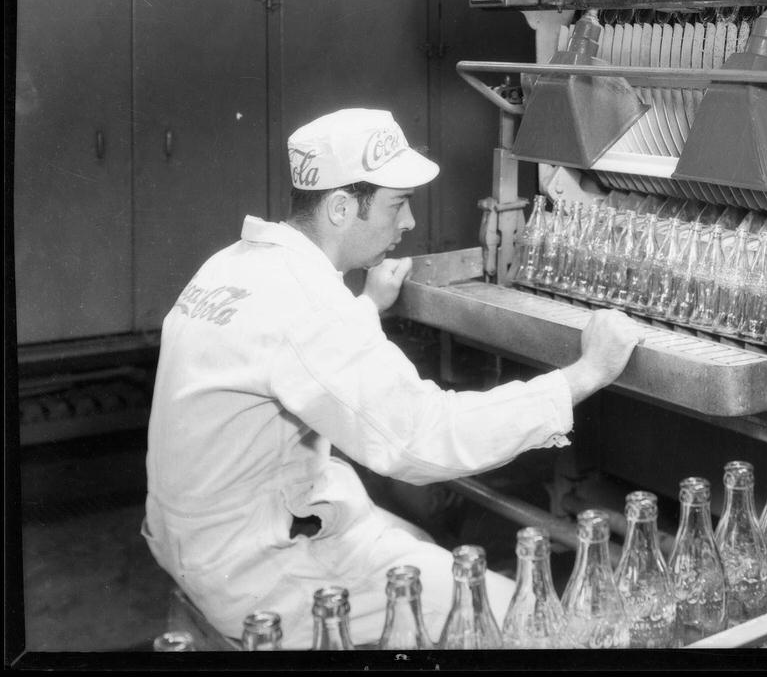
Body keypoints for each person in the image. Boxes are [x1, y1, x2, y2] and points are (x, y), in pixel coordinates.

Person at [142, 107, 643, 648]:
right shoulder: (308, 305)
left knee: (421, 543)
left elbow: (295, 356)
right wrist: (586, 373)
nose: (406, 224)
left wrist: (365, 306)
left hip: (201, 536)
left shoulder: (235, 265)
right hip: (255, 567)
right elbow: (422, 436)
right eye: (396, 204)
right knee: (529, 626)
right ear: (338, 208)